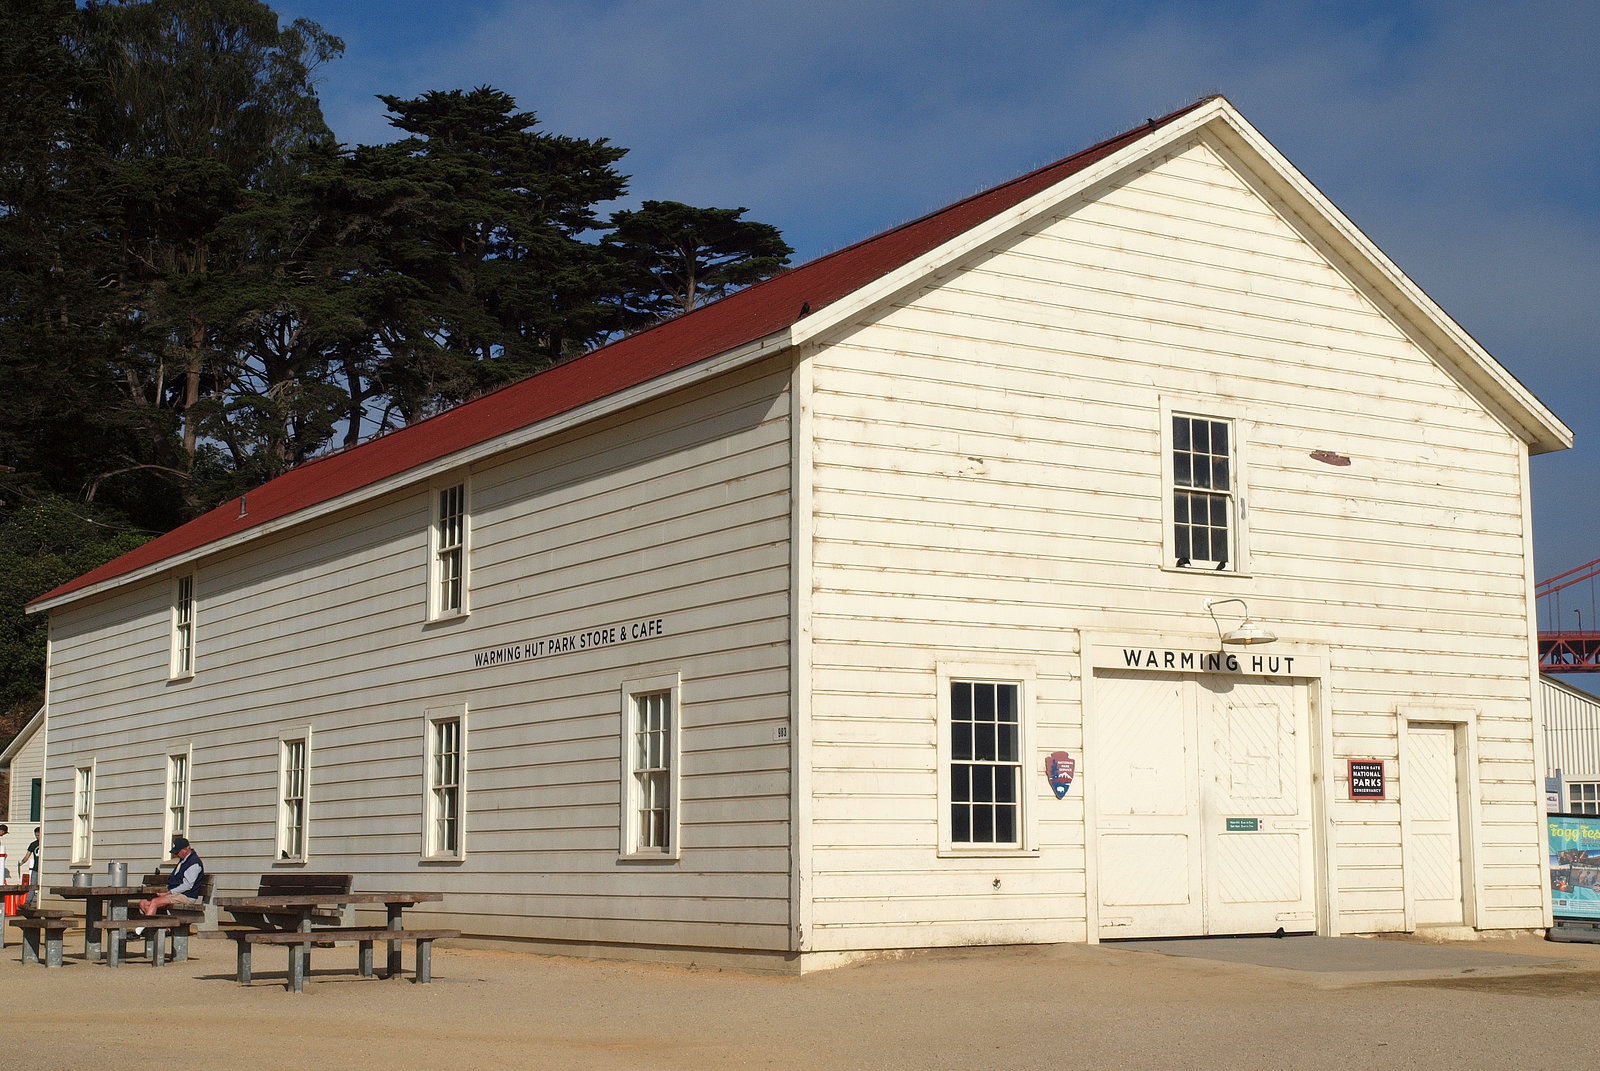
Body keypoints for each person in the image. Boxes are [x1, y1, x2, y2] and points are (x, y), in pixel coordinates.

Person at [138, 837, 204, 916]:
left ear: (185, 850)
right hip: (175, 894)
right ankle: (155, 925)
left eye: (177, 852)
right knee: (143, 903)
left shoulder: (194, 864)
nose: (176, 855)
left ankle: (147, 926)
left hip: (186, 896)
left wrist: (168, 893)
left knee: (155, 902)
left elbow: (187, 886)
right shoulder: (183, 861)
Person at [16, 827, 40, 907]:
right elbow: (27, 856)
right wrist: (22, 862)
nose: (37, 837)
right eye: (36, 835)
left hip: (44, 869)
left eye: (38, 835)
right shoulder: (33, 844)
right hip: (35, 869)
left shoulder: (46, 843)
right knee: (32, 885)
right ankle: (27, 902)